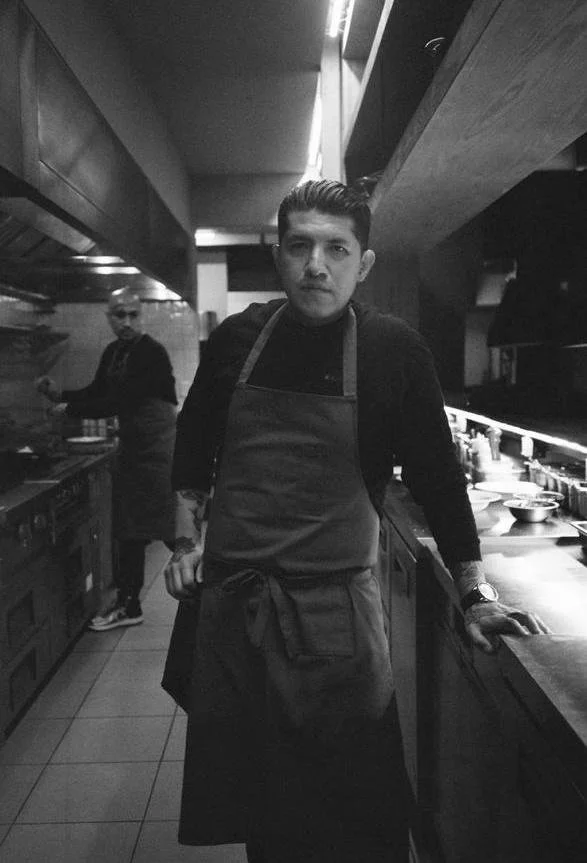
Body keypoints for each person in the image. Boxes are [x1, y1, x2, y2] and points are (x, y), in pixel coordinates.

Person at [162, 180, 548, 863]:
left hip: (336, 618)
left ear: (362, 263)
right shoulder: (235, 340)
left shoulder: (392, 351)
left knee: (359, 818)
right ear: (278, 255)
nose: (317, 264)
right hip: (236, 609)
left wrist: (474, 591)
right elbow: (192, 446)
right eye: (300, 246)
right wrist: (187, 540)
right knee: (267, 818)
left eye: (336, 248)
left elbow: (437, 479)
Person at [37, 287, 177, 631]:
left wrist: (68, 408)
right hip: (134, 449)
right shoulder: (114, 351)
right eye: (119, 315)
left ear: (140, 315)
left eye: (132, 315)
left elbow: (121, 401)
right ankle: (130, 604)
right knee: (131, 529)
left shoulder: (150, 353)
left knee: (171, 529)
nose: (127, 322)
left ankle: (214, 594)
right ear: (109, 316)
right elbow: (98, 392)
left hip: (157, 452)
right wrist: (62, 395)